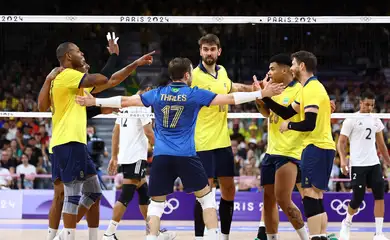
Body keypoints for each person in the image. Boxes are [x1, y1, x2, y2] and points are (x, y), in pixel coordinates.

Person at [75, 57, 284, 240]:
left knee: (156, 206)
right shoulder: (194, 94)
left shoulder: (157, 94)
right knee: (207, 199)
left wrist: (95, 100)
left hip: (162, 157)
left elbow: (125, 100)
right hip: (186, 156)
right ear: (186, 74)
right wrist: (260, 93)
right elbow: (231, 98)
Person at [42, 34, 154, 240]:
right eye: (79, 53)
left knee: (92, 192)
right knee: (65, 195)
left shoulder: (80, 90)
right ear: (69, 57)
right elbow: (104, 78)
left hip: (73, 144)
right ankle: (61, 237)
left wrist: (135, 64)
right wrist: (113, 57)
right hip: (66, 144)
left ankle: (85, 236)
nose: (84, 57)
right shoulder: (68, 77)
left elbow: (112, 81)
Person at [261, 51, 335, 240]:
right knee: (315, 196)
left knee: (309, 195)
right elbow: (286, 113)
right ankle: (320, 236)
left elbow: (308, 123)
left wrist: (291, 125)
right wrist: (265, 96)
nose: (292, 67)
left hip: (314, 146)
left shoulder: (310, 89)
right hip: (319, 146)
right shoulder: (309, 88)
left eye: (293, 63)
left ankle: (313, 236)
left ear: (301, 66)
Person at [191, 33, 254, 240]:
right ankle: (201, 237)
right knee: (204, 193)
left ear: (219, 51)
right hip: (202, 142)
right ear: (200, 51)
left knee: (229, 190)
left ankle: (224, 236)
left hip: (223, 142)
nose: (209, 53)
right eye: (205, 49)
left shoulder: (223, 71)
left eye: (212, 49)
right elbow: (228, 97)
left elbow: (231, 87)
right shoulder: (193, 76)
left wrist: (253, 88)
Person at [103, 78, 176, 240]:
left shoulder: (126, 104)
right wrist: (165, 150)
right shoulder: (142, 105)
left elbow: (116, 132)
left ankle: (152, 231)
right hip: (135, 157)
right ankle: (109, 233)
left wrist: (115, 156)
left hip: (128, 157)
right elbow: (149, 133)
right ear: (148, 89)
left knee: (144, 194)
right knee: (126, 195)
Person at [254, 54, 308, 240]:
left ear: (284, 70)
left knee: (283, 199)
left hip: (290, 152)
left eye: (272, 68)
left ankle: (305, 236)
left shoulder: (299, 90)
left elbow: (285, 114)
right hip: (271, 151)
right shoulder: (273, 88)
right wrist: (259, 97)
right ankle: (272, 238)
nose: (269, 72)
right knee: (268, 200)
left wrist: (265, 96)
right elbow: (266, 114)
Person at [338, 91, 390, 240]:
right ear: (360, 103)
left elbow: (381, 144)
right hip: (358, 165)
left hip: (374, 163)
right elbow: (341, 142)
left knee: (379, 195)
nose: (369, 108)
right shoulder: (351, 119)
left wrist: (387, 161)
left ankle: (379, 233)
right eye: (367, 104)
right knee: (357, 199)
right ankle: (346, 223)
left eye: (372, 105)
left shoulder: (376, 119)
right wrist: (343, 160)